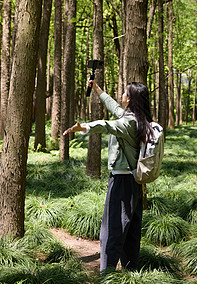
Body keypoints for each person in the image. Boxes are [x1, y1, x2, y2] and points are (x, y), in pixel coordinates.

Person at [63, 80, 153, 272]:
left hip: (121, 181)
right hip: (135, 182)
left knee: (112, 230)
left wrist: (84, 127)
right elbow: (114, 107)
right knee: (131, 231)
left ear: (129, 99)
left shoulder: (128, 122)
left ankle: (107, 274)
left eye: (124, 93)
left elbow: (107, 125)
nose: (121, 95)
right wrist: (97, 89)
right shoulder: (138, 117)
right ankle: (131, 272)